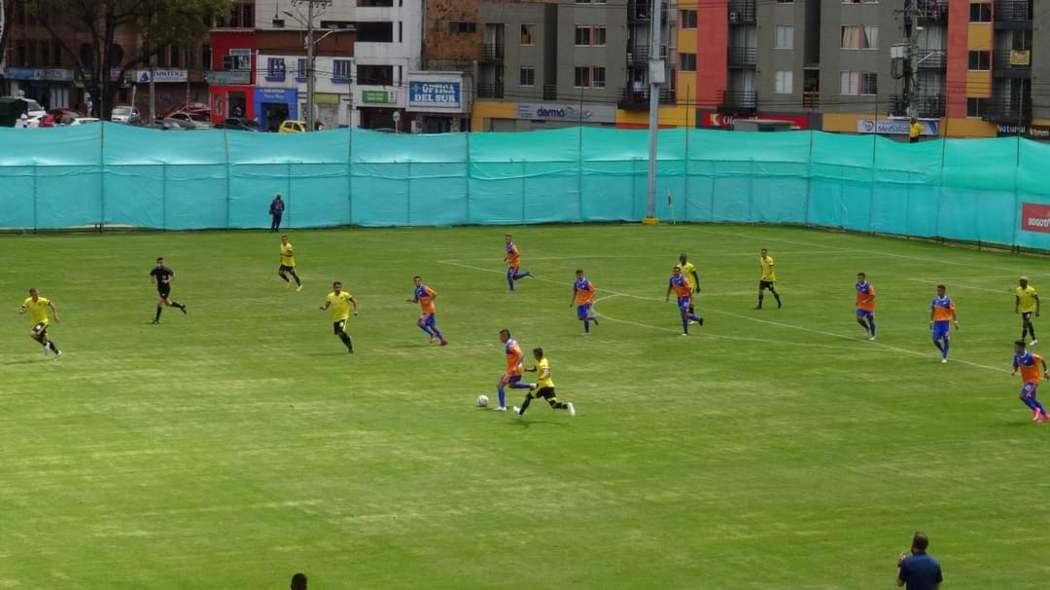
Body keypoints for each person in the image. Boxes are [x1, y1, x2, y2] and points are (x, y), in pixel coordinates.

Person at [514, 347, 576, 417]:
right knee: (554, 405)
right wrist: (527, 369)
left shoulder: (543, 363)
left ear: (538, 354)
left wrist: (542, 377)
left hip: (543, 387)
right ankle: (568, 405)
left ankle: (520, 413)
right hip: (549, 386)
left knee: (528, 396)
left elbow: (546, 372)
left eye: (534, 354)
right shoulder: (539, 361)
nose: (533, 356)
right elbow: (535, 368)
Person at [1011, 339, 1049, 422]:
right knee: (1032, 399)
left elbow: (1042, 359)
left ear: (1022, 347)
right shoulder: (1016, 356)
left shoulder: (1031, 356)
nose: (1015, 348)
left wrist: (1046, 371)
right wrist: (1014, 370)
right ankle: (1046, 415)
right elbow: (1015, 364)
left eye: (1016, 347)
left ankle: (1036, 410)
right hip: (1026, 381)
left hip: (1033, 380)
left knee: (1023, 396)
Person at [18, 287, 62, 358]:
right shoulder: (28, 301)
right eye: (35, 294)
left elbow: (52, 305)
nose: (37, 295)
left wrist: (55, 315)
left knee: (33, 334)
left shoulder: (42, 300)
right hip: (36, 322)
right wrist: (22, 311)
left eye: (38, 294)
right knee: (45, 338)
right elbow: (24, 307)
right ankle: (57, 352)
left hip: (44, 321)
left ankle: (45, 344)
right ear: (31, 295)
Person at [495, 329, 532, 411]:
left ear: (505, 336)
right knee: (512, 385)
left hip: (513, 371)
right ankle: (531, 385)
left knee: (500, 386)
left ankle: (502, 407)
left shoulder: (510, 345)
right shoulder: (512, 342)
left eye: (501, 336)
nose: (500, 338)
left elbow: (521, 354)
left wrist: (515, 366)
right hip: (513, 370)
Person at [407, 275, 447, 345]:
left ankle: (432, 334)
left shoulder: (424, 288)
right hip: (426, 310)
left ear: (421, 281)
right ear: (414, 282)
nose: (417, 282)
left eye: (418, 281)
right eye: (415, 281)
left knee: (420, 323)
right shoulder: (416, 290)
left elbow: (435, 294)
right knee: (432, 326)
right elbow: (417, 301)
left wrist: (429, 300)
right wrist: (411, 300)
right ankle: (442, 340)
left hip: (429, 310)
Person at [320, 281, 358, 353]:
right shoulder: (330, 296)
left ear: (341, 287)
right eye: (336, 287)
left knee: (341, 330)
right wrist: (324, 307)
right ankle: (349, 347)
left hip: (343, 316)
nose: (338, 289)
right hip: (335, 318)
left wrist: (355, 310)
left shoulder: (345, 295)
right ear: (333, 288)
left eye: (339, 287)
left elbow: (354, 301)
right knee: (340, 335)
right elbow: (327, 305)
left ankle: (348, 338)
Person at [665, 265, 704, 335]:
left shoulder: (683, 279)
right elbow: (670, 287)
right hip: (679, 298)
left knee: (684, 312)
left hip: (685, 297)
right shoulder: (672, 279)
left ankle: (686, 331)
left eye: (677, 271)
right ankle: (698, 319)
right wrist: (667, 296)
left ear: (679, 272)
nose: (675, 273)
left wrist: (691, 301)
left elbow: (688, 290)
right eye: (674, 271)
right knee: (683, 315)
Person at [149, 257, 187, 324]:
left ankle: (156, 320)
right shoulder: (155, 269)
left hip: (166, 288)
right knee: (168, 303)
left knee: (159, 303)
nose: (160, 264)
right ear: (157, 263)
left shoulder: (166, 269)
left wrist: (167, 281)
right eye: (159, 263)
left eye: (161, 263)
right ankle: (181, 306)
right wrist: (152, 280)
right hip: (160, 288)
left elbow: (174, 276)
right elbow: (151, 274)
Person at [929, 284, 958, 363]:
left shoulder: (948, 300)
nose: (938, 292)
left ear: (943, 291)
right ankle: (943, 351)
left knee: (945, 339)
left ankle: (944, 357)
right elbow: (933, 311)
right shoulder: (935, 300)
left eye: (939, 290)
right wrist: (931, 321)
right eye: (937, 291)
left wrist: (955, 322)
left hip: (945, 323)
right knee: (935, 340)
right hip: (937, 323)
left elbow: (953, 312)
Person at [569, 269, 598, 334]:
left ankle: (587, 332)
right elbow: (574, 293)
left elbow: (593, 292)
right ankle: (592, 318)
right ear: (576, 275)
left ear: (582, 274)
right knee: (580, 318)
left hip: (587, 302)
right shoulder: (576, 283)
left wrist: (589, 299)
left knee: (585, 317)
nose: (579, 276)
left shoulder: (587, 282)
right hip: (580, 302)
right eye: (578, 275)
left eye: (580, 275)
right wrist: (572, 302)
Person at [1015, 275, 1040, 345]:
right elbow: (1017, 298)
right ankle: (1034, 339)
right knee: (1027, 324)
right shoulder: (1018, 289)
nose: (1020, 283)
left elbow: (1037, 299)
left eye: (1022, 282)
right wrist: (1016, 307)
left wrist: (1037, 311)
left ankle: (1023, 339)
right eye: (1020, 282)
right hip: (1023, 309)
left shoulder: (1031, 290)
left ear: (1026, 282)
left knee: (1026, 322)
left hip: (1030, 308)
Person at [678, 253, 701, 319]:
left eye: (685, 259)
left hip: (690, 286)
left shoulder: (690, 266)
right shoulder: (678, 267)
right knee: (684, 302)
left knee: (689, 301)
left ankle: (692, 317)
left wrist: (698, 286)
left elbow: (696, 276)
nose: (683, 260)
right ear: (680, 259)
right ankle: (690, 316)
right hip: (682, 287)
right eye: (682, 259)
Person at [856, 272, 877, 340]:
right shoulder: (857, 285)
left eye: (860, 278)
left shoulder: (869, 285)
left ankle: (873, 335)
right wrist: (857, 301)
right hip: (861, 305)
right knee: (859, 319)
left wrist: (866, 301)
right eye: (858, 278)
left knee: (870, 319)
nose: (859, 279)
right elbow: (859, 294)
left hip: (869, 306)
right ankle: (866, 327)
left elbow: (873, 295)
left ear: (864, 278)